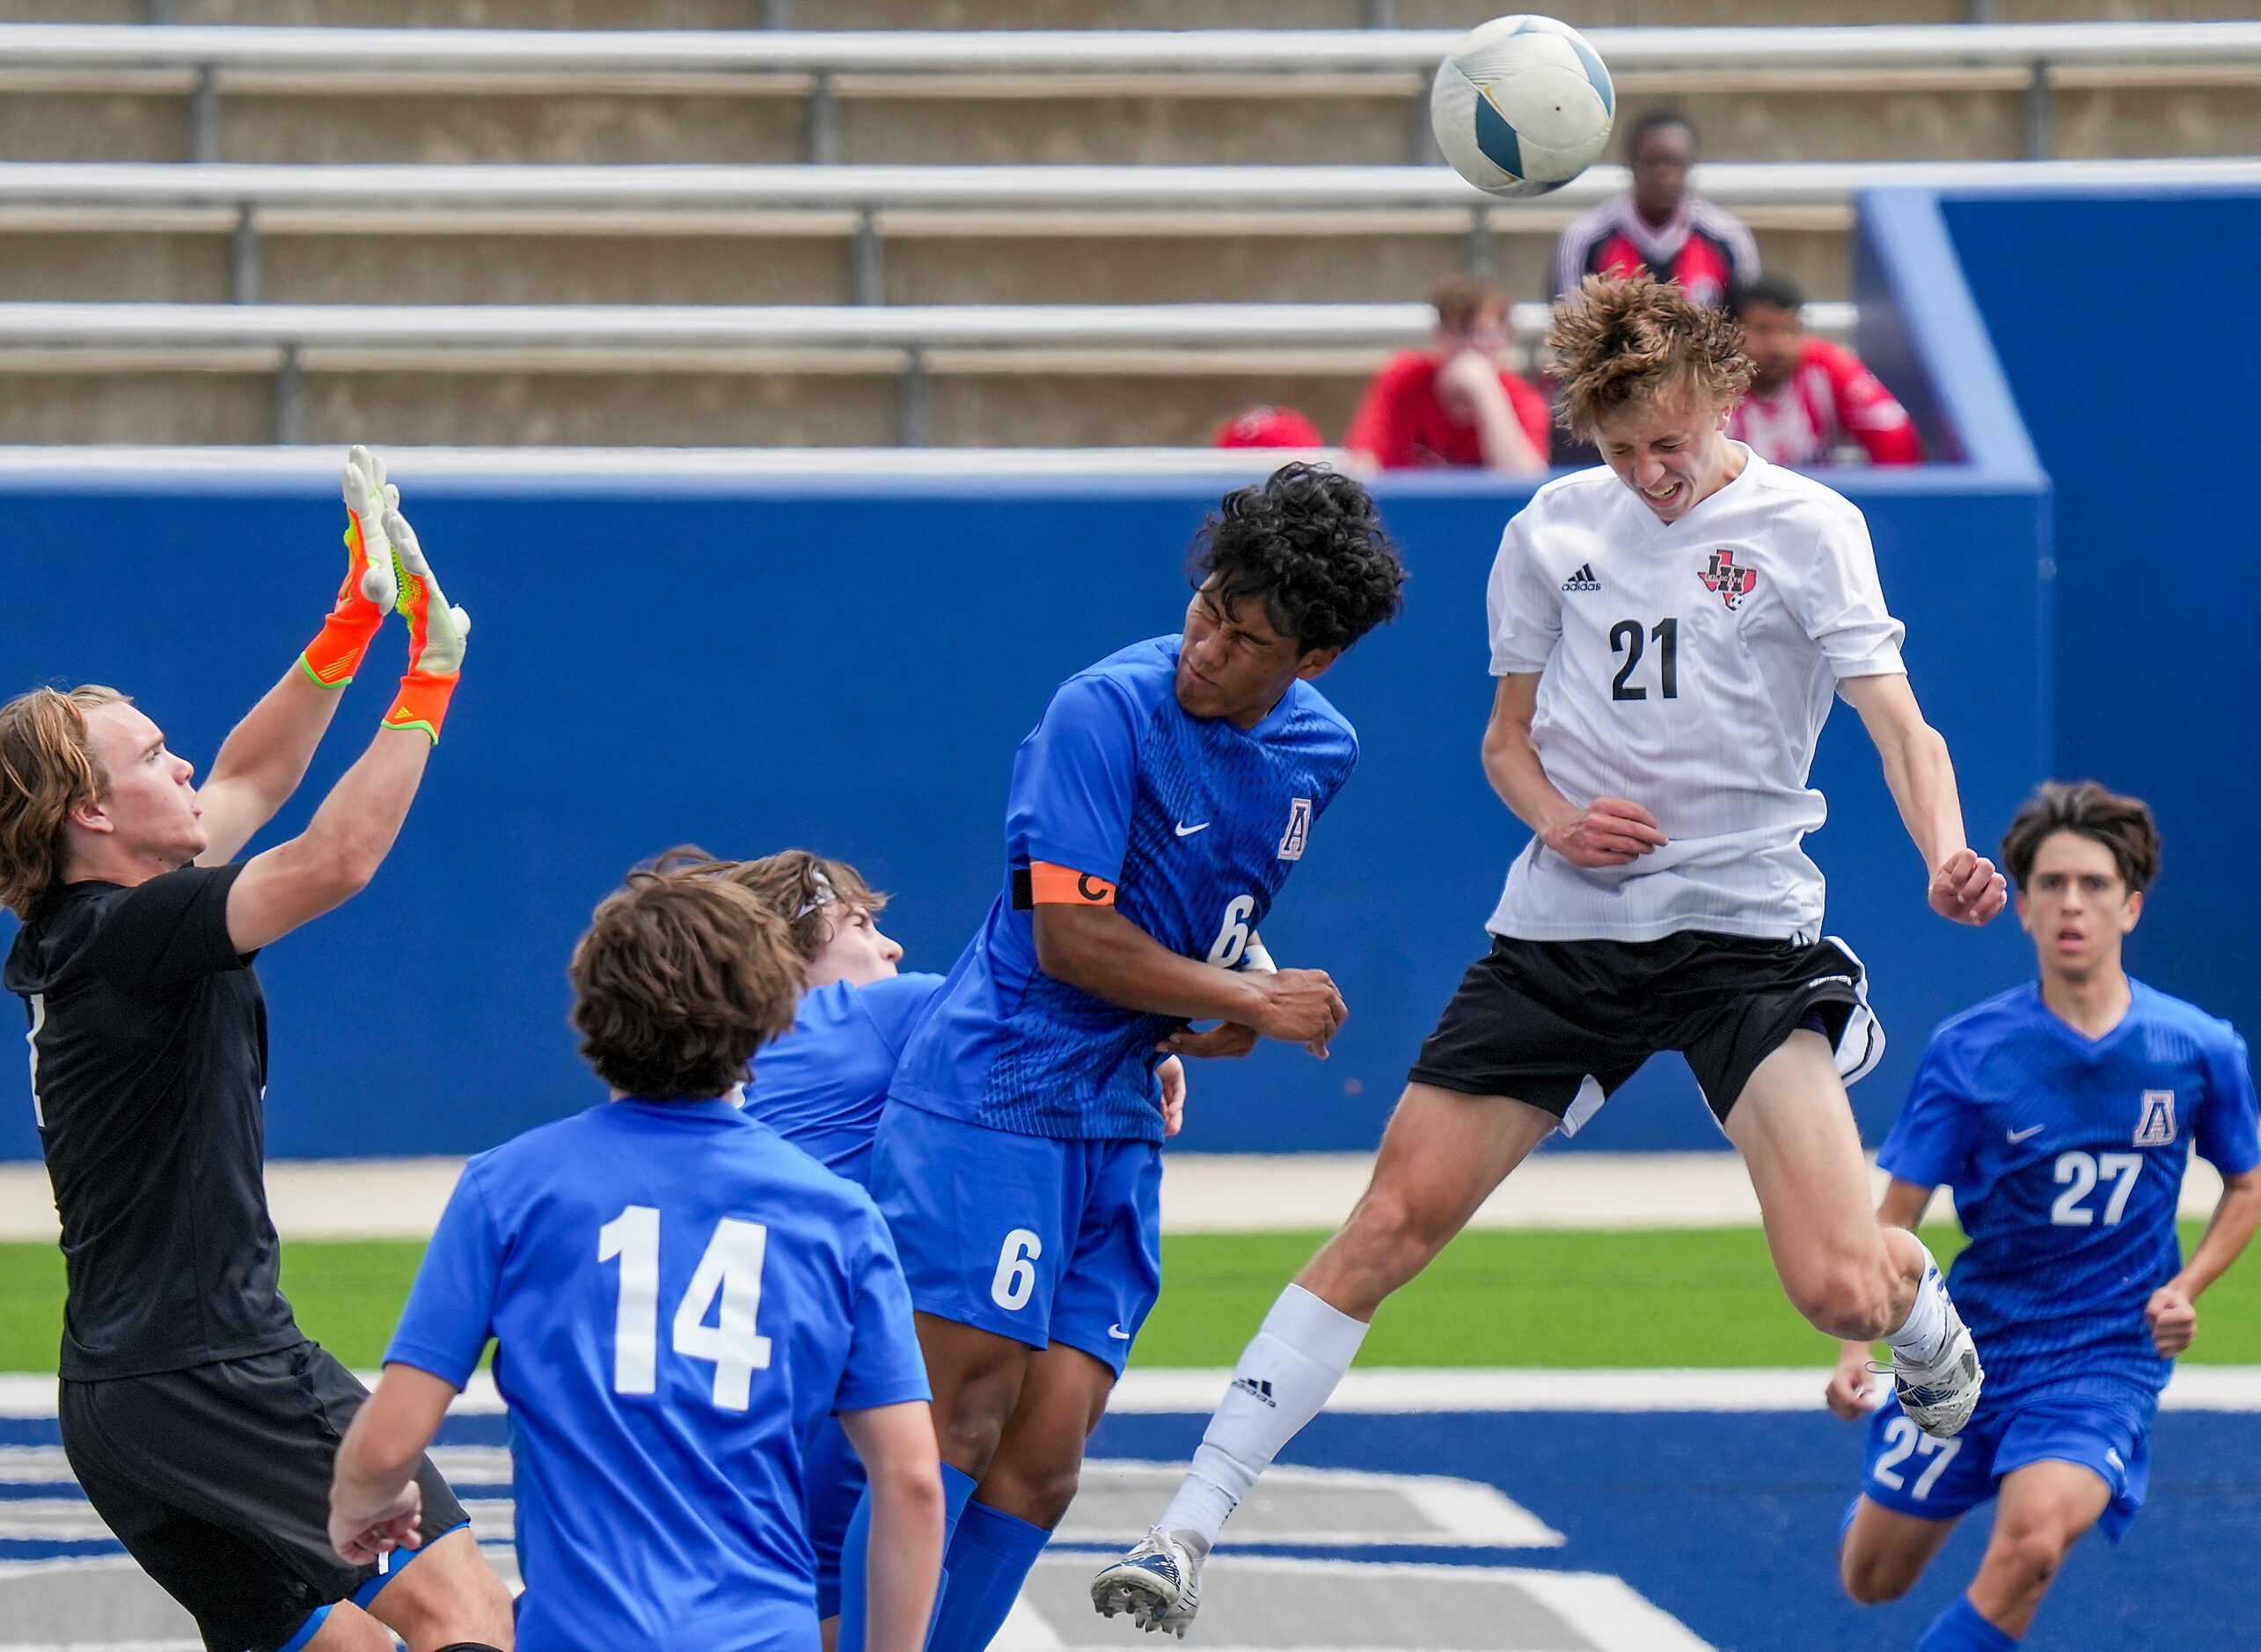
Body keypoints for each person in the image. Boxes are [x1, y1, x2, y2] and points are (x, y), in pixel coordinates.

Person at [1094, 274, 2009, 1636]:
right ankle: (1183, 1529)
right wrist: (1558, 821)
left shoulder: (1812, 527)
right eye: (1619, 444)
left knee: (1835, 1282)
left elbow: (1901, 729)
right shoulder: (1548, 529)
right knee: (1385, 1226)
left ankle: (1922, 1310)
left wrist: (1943, 847)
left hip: (1745, 937)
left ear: (1721, 400)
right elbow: (1504, 747)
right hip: (1563, 936)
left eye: (1671, 443)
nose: (1646, 472)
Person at [836, 461, 1405, 1652]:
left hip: (1120, 1116)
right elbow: (1074, 934)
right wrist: (1246, 990)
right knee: (947, 1428)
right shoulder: (1104, 709)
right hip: (997, 1095)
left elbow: (1190, 921)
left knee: (1043, 1468)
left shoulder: (1320, 751)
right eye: (1207, 607)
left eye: (1245, 637)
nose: (1205, 644)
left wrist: (1216, 1003)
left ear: (1312, 661)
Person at [0, 451, 511, 1652]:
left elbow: (255, 774)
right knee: (465, 1609)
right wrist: (429, 678)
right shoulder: (138, 930)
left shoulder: (103, 917)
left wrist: (352, 622)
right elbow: (334, 857)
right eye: (150, 757)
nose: (183, 765)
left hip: (121, 1400)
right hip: (218, 1367)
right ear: (91, 813)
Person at [329, 860, 945, 1652]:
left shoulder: (509, 1189)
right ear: (770, 1015)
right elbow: (912, 1483)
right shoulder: (838, 1218)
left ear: (592, 1009)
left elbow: (387, 1443)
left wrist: (360, 1502)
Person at [1830, 782, 2261, 1652]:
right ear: (2020, 908)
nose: (2072, 903)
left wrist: (2185, 1287)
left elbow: (2246, 1185)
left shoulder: (2196, 1048)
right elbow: (1896, 1214)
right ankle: (1952, 1463)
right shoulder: (1969, 1050)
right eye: (2051, 885)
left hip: (2104, 1359)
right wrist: (1854, 1348)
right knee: (1870, 1578)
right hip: (1971, 1353)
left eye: (2094, 885)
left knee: (2028, 1549)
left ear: (2130, 906)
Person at [730, 850, 1186, 1648]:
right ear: (782, 954)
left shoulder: (719, 1078)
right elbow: (1047, 1018)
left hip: (741, 1431)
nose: (893, 946)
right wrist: (1164, 1047)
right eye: (862, 925)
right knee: (1014, 1454)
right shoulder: (884, 1015)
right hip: (850, 1416)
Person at [1553, 109, 1760, 309]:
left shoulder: (1728, 235)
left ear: (1691, 164)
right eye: (1652, 162)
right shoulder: (1585, 237)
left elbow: (1747, 325)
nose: (1663, 174)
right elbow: (1571, 328)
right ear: (1630, 165)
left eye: (1674, 162)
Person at [1343, 275, 1549, 473]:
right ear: (1439, 333)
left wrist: (1486, 391)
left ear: (1504, 338)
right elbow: (1361, 466)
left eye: (1488, 333)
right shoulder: (1404, 378)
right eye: (1462, 331)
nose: (1474, 345)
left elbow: (1526, 485)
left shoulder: (1522, 399)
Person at [1726, 274, 1921, 470]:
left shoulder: (1827, 368)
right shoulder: (1713, 380)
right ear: (1732, 333)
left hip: (1815, 494)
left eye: (1790, 330)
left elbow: (1893, 434)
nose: (1778, 345)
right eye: (1763, 330)